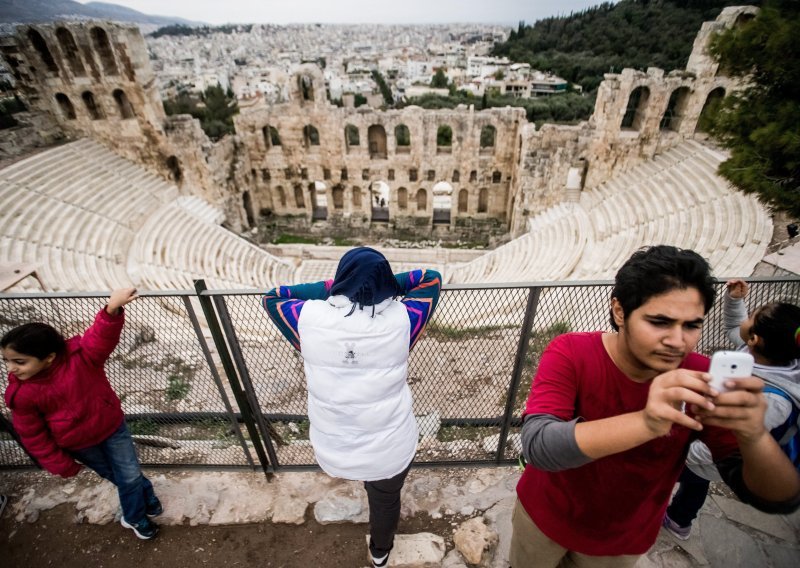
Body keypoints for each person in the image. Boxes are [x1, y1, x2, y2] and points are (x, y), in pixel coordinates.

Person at [510, 245, 800, 567]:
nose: (678, 341)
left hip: (620, 540)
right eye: (660, 322)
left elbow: (777, 497)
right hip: (543, 517)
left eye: (691, 325)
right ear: (620, 311)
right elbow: (539, 445)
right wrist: (647, 422)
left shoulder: (700, 378)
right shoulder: (572, 352)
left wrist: (754, 436)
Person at [262, 247, 441, 568]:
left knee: (374, 482)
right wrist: (380, 285)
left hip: (335, 446)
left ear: (342, 278)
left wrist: (338, 287)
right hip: (390, 447)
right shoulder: (403, 322)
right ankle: (380, 552)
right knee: (386, 500)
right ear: (386, 282)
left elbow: (274, 296)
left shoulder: (307, 320)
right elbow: (429, 279)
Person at [2, 288, 162, 540]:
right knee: (119, 475)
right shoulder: (21, 394)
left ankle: (134, 516)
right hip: (79, 444)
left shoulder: (81, 358)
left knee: (129, 475)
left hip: (111, 428)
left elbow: (101, 338)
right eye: (7, 361)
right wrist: (59, 463)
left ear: (49, 358)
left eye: (19, 362)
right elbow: (33, 435)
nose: (11, 369)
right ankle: (145, 502)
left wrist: (112, 310)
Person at [663, 279, 800, 539]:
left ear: (755, 339)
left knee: (686, 479)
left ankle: (677, 519)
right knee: (696, 483)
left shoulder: (773, 400)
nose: (746, 317)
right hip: (710, 449)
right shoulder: (761, 353)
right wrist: (735, 301)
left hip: (717, 454)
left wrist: (684, 447)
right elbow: (736, 329)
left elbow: (729, 436)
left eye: (751, 315)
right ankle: (681, 520)